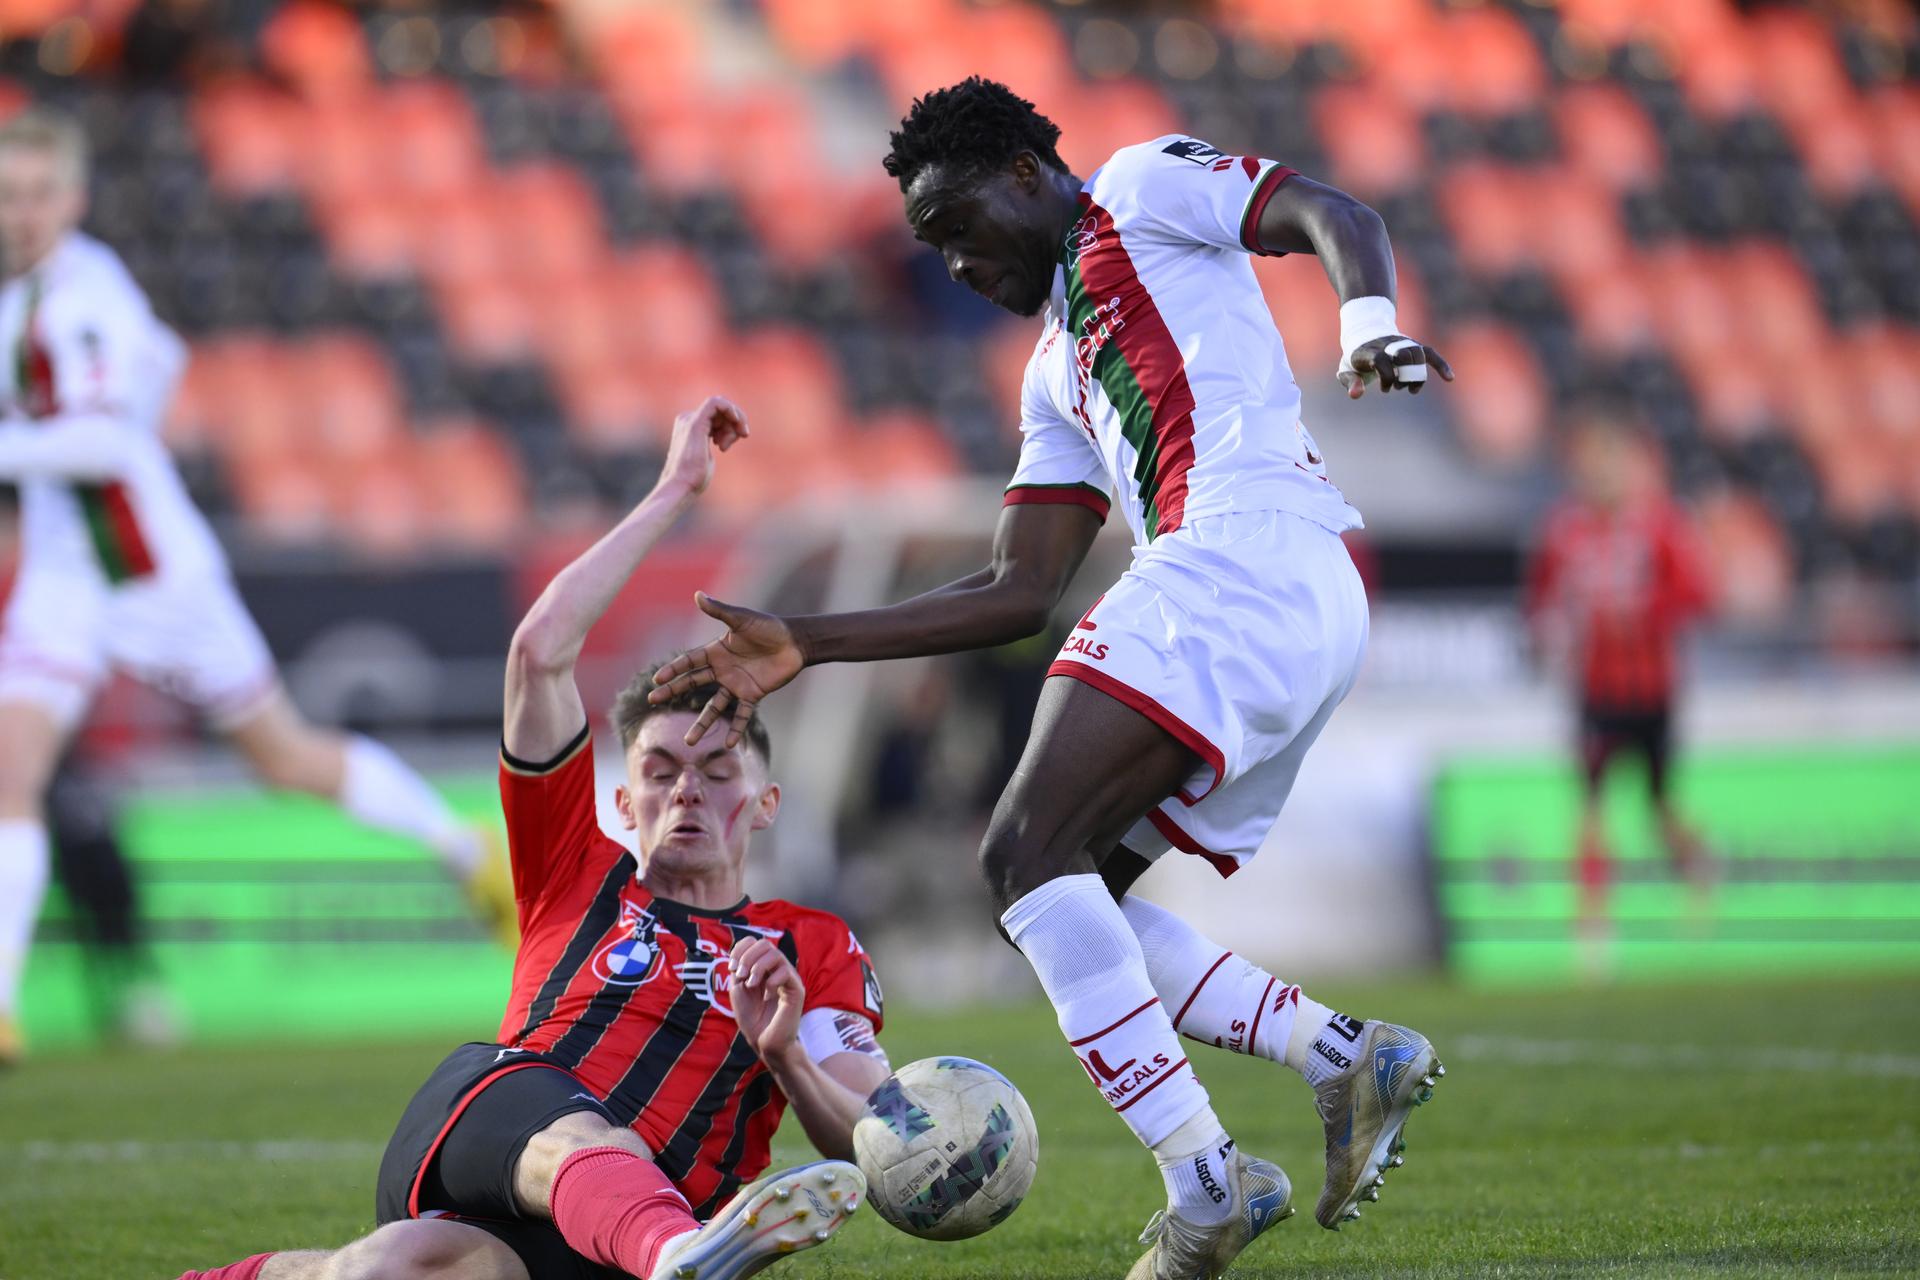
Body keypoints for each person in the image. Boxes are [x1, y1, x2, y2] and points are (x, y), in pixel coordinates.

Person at [650, 79, 1449, 1279]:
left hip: (1244, 554)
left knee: (1022, 856)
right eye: (935, 249)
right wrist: (811, 639)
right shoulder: (1052, 371)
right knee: (1077, 901)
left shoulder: (1137, 186)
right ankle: (1343, 1055)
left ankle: (1209, 1181)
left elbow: (1333, 213)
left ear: (1027, 174)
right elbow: (1017, 587)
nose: (959, 264)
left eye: (959, 226)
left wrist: (1368, 323)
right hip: (1280, 594)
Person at [175, 397, 887, 1280]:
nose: (687, 789)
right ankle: (680, 1255)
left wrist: (783, 1057)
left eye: (716, 768)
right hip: (500, 1115)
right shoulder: (574, 868)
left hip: (609, 1234)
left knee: (382, 1271)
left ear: (766, 802)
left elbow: (866, 1137)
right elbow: (540, 652)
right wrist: (674, 490)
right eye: (661, 770)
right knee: (591, 1138)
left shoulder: (811, 947)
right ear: (623, 801)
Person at [0, 105, 511, 1066]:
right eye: (6, 196)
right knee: (10, 767)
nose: (19, 213)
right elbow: (161, 359)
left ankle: (462, 847)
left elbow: (103, 437)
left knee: (282, 755)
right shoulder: (32, 294)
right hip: (66, 579)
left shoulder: (80, 299)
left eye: (35, 195)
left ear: (71, 199)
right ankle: (1, 1006)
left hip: (155, 575)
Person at [1524, 410, 1716, 926]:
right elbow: (1540, 596)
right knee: (1591, 806)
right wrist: (1544, 636)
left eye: (1607, 463)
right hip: (1595, 688)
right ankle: (1592, 931)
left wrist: (1646, 613)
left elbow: (1699, 594)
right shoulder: (1564, 531)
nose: (1598, 475)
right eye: (1589, 464)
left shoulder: (1659, 526)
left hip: (1651, 689)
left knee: (1659, 807)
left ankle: (1698, 868)